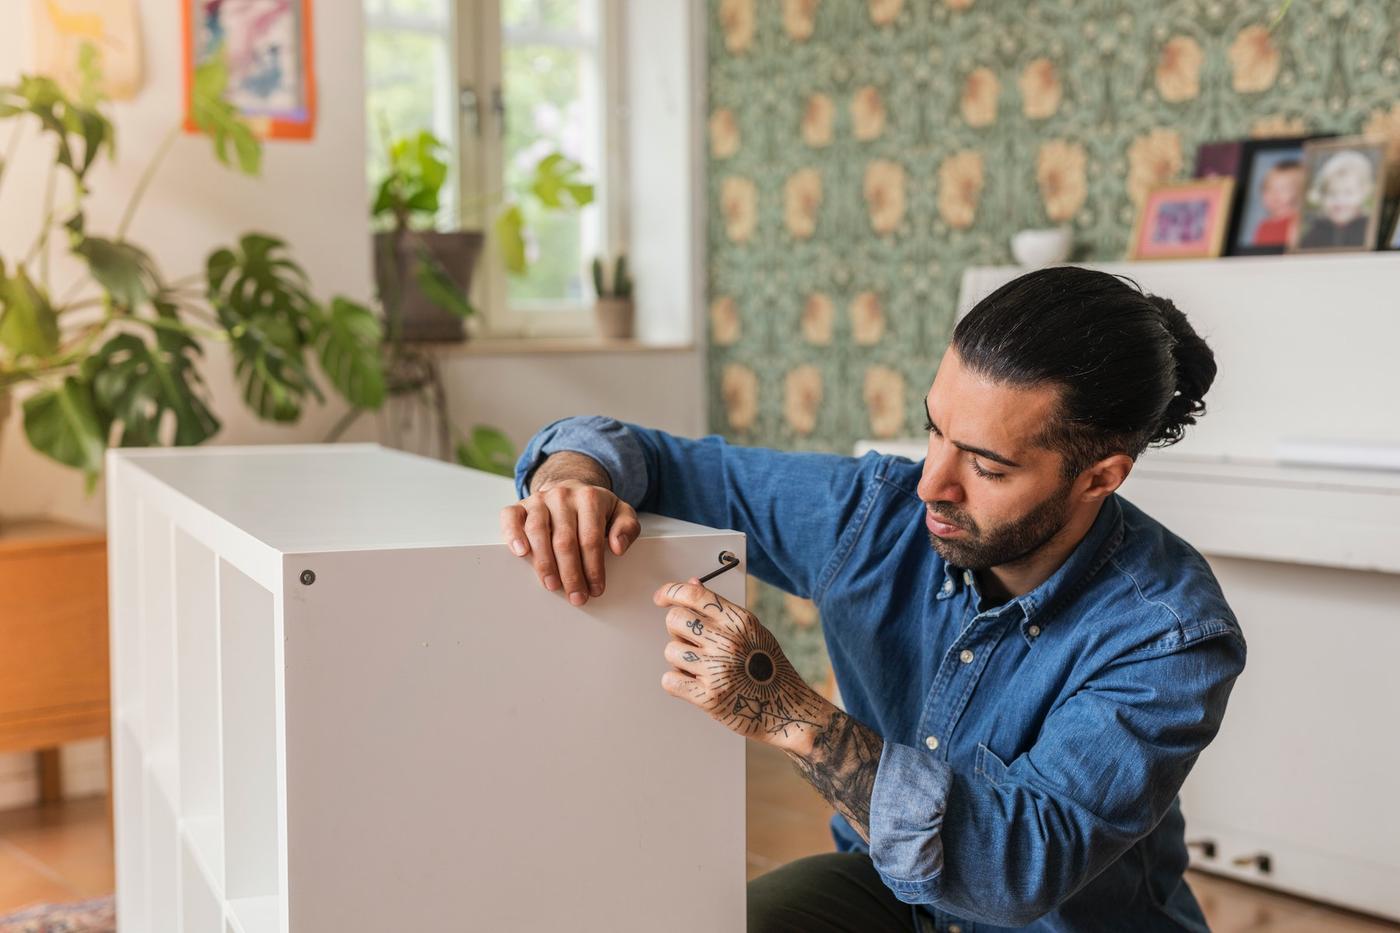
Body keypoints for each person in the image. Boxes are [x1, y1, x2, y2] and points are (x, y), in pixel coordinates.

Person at [500, 266, 1246, 932]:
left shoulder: (1172, 633)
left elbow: (1017, 866)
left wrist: (789, 712)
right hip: (891, 894)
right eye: (936, 430)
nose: (931, 484)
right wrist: (572, 478)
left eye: (985, 466)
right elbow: (639, 452)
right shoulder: (875, 514)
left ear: (1098, 477)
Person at [1298, 150, 1375, 249]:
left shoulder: (1368, 228)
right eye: (1332, 193)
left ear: (1364, 193)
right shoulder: (1317, 231)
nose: (1339, 201)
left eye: (1348, 193)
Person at [1249, 159, 1303, 247]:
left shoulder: (1297, 222)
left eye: (1282, 189)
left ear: (1300, 192)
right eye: (1268, 188)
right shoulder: (1263, 226)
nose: (1274, 195)